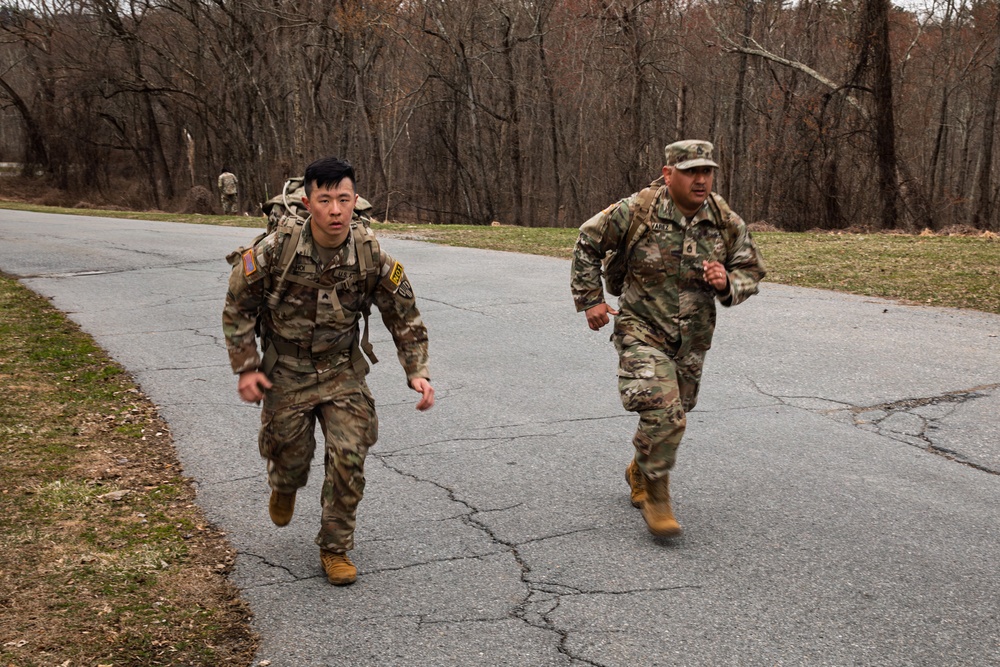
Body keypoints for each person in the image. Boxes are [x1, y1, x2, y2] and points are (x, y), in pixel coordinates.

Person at [222, 156, 434, 585]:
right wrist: (246, 367)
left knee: (349, 457)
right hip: (286, 370)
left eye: (343, 199)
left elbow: (403, 312)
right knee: (292, 459)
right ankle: (284, 482)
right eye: (325, 199)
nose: (336, 210)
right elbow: (238, 304)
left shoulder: (370, 253)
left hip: (342, 370)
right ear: (308, 202)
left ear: (355, 200)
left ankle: (334, 548)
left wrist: (416, 370)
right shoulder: (277, 248)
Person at [570, 140, 765, 538]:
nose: (701, 179)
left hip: (692, 340)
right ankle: (658, 496)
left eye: (706, 171)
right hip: (640, 329)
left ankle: (640, 468)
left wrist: (728, 282)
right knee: (666, 415)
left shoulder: (723, 219)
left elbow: (751, 271)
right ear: (668, 174)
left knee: (678, 410)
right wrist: (590, 299)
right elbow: (587, 242)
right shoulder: (636, 211)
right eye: (691, 171)